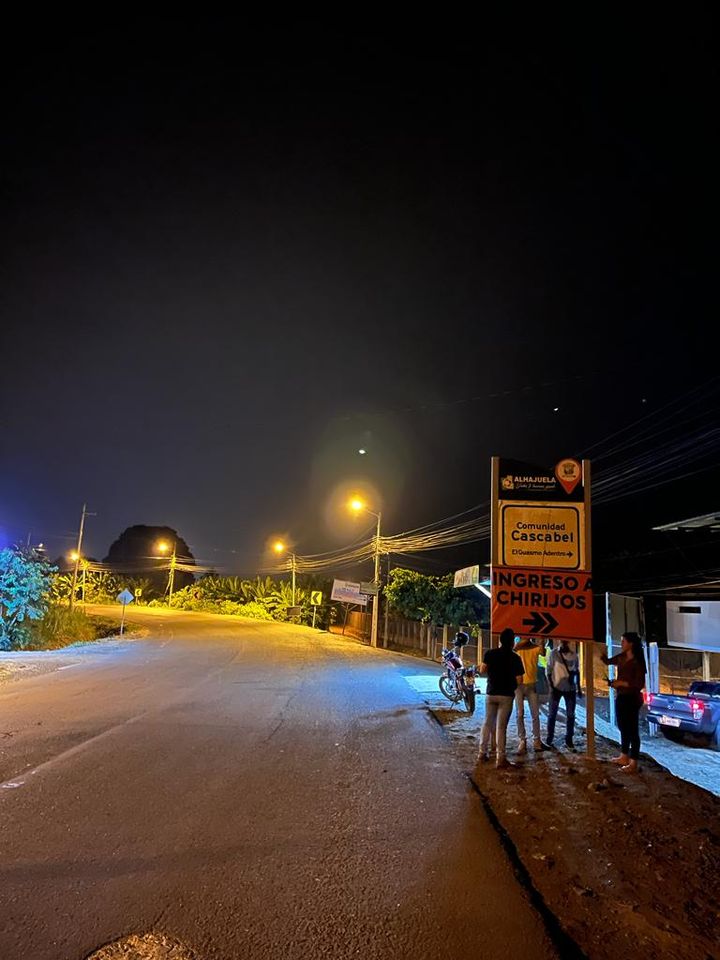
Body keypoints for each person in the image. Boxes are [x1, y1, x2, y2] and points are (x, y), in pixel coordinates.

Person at [478, 627, 525, 769]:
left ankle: (482, 753)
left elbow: (482, 670)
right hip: (506, 695)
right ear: (512, 642)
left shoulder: (490, 653)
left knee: (487, 722)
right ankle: (500, 758)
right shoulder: (515, 658)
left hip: (491, 693)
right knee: (501, 726)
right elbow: (520, 680)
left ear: (500, 640)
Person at [601, 631, 646, 773]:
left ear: (631, 644)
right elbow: (608, 661)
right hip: (621, 696)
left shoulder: (637, 662)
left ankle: (633, 762)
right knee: (623, 726)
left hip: (632, 698)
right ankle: (624, 755)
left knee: (632, 729)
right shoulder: (621, 657)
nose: (621, 644)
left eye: (623, 641)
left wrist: (621, 683)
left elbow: (639, 684)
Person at [545, 640, 581, 750]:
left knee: (570, 715)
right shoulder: (554, 654)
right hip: (556, 688)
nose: (564, 643)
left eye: (565, 641)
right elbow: (548, 670)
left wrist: (578, 687)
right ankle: (549, 738)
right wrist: (551, 686)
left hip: (570, 689)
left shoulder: (574, 656)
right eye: (562, 641)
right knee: (552, 714)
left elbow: (577, 671)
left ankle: (569, 740)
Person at [513, 637, 547, 754]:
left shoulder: (535, 648)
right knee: (519, 714)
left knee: (535, 714)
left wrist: (541, 640)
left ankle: (536, 740)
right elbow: (512, 651)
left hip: (531, 685)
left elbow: (543, 652)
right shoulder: (517, 647)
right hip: (518, 685)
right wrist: (523, 641)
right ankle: (522, 740)